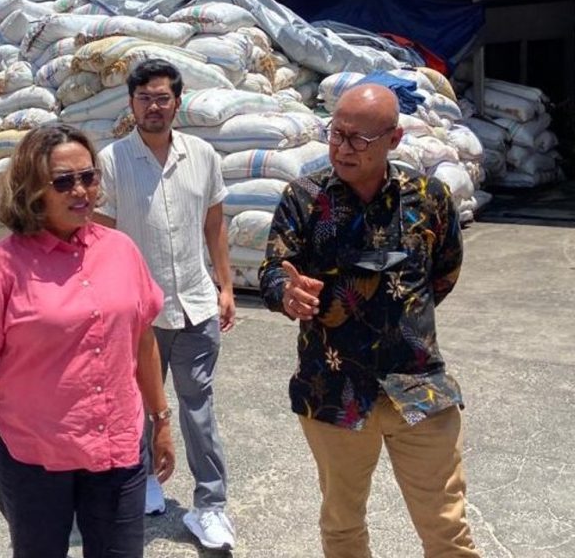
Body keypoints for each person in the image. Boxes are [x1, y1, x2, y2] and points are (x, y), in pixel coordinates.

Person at [0, 123, 175, 558]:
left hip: (117, 448)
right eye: (63, 181)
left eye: (88, 177)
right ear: (33, 189)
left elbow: (142, 341)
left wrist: (161, 419)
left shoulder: (121, 250)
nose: (81, 191)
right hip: (33, 457)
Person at [259, 84, 480, 558]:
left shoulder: (428, 198)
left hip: (417, 387)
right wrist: (288, 294)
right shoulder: (304, 198)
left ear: (394, 139)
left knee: (448, 531)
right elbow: (274, 270)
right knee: (342, 527)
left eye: (358, 138)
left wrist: (401, 316)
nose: (342, 147)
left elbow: (444, 272)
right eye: (336, 134)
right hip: (334, 391)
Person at [93, 59, 237, 551]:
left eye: (162, 98)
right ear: (131, 104)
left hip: (196, 303)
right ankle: (147, 482)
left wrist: (226, 285)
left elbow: (214, 224)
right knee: (135, 406)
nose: (154, 107)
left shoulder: (202, 155)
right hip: (138, 313)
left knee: (198, 408)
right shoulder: (112, 162)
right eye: (144, 99)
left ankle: (210, 505)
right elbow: (103, 238)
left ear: (178, 102)